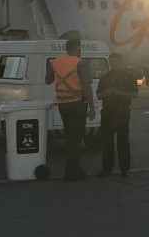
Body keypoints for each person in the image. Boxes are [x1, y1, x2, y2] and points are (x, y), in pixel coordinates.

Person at [45, 38, 96, 181]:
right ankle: (72, 172)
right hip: (77, 104)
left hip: (62, 104)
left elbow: (47, 80)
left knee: (69, 137)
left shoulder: (56, 62)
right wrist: (92, 107)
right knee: (76, 138)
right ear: (78, 47)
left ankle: (74, 170)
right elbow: (86, 86)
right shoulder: (81, 63)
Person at [95, 52, 138, 177]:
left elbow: (135, 94)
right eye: (111, 61)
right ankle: (107, 168)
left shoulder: (128, 76)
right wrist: (105, 94)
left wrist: (119, 93)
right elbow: (98, 95)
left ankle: (125, 169)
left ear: (121, 62)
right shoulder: (105, 77)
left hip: (122, 112)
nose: (113, 63)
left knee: (123, 141)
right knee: (107, 142)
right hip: (108, 112)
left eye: (116, 61)